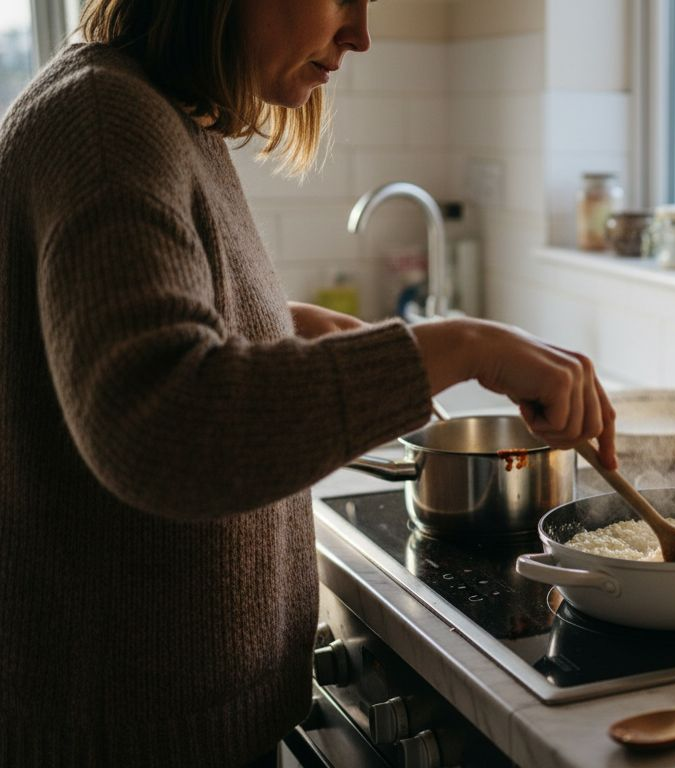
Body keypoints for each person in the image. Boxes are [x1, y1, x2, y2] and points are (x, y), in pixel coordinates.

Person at [0, 1, 617, 765]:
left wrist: (276, 328)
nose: (360, 33)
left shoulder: (149, 108)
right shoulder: (106, 125)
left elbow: (132, 327)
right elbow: (161, 423)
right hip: (127, 737)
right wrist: (458, 346)